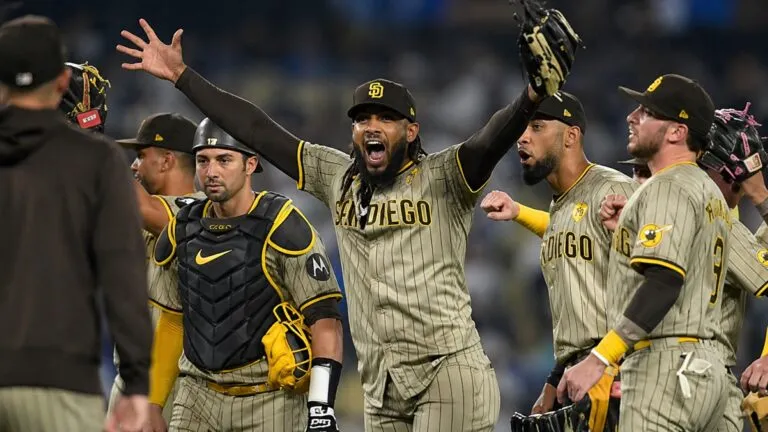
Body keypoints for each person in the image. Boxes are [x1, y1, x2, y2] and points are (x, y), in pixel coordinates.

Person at [116, 7, 581, 429]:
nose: (372, 125)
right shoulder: (335, 175)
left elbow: (487, 142)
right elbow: (256, 130)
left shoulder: (445, 175)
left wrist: (532, 96)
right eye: (363, 118)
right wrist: (182, 75)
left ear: (412, 130)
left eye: (386, 117)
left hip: (447, 372)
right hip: (382, 385)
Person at [0, 15, 152, 432]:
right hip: (59, 378)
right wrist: (138, 384)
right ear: (62, 82)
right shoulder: (96, 161)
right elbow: (123, 276)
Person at [149, 119, 344, 431]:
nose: (211, 172)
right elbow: (172, 321)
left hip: (269, 398)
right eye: (203, 160)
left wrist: (321, 407)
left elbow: (325, 319)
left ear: (250, 164)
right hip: (197, 396)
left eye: (224, 160)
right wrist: (153, 404)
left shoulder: (283, 226)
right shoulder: (181, 229)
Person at [559, 74, 729, 431]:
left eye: (647, 112)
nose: (631, 117)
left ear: (676, 132)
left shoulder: (667, 187)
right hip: (708, 366)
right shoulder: (706, 189)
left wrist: (599, 358)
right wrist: (630, 226)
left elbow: (665, 280)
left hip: (664, 367)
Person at [480, 92, 636, 431]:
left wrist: (613, 362)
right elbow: (572, 230)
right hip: (578, 368)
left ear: (571, 136)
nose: (522, 137)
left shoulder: (614, 191)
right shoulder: (563, 204)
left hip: (617, 369)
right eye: (522, 128)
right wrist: (554, 379)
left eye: (537, 126)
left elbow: (657, 282)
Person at [110, 113, 206, 425]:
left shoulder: (202, 211)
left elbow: (144, 209)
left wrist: (91, 138)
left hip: (176, 383)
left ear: (166, 161)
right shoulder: (140, 212)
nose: (133, 166)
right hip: (130, 375)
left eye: (140, 156)